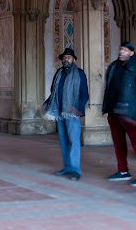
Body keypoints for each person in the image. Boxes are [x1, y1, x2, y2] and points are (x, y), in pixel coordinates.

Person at [102, 41, 136, 186]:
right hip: (114, 111)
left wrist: (135, 112)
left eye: (124, 50)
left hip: (130, 113)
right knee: (118, 143)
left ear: (131, 53)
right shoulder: (114, 67)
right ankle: (123, 171)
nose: (121, 52)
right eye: (120, 49)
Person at [42, 47, 89, 181]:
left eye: (68, 57)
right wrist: (48, 102)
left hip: (72, 113)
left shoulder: (79, 73)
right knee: (64, 141)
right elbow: (54, 91)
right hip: (59, 111)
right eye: (64, 57)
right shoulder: (59, 73)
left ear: (73, 59)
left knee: (74, 140)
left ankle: (75, 170)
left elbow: (84, 94)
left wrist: (77, 108)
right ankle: (67, 167)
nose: (65, 59)